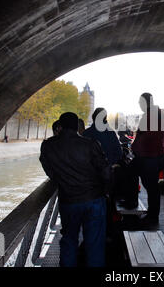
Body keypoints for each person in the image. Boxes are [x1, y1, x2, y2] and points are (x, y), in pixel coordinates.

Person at [39, 112, 111, 267]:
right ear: (77, 127)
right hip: (93, 199)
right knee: (95, 244)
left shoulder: (48, 146)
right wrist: (105, 189)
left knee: (69, 241)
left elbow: (49, 170)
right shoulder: (90, 144)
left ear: (60, 126)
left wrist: (61, 179)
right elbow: (106, 172)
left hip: (68, 200)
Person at [131, 93, 164, 226]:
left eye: (140, 102)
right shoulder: (154, 115)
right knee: (151, 186)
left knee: (151, 187)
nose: (139, 105)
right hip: (151, 155)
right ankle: (151, 213)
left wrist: (136, 146)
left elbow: (147, 136)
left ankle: (152, 215)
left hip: (149, 156)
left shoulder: (151, 116)